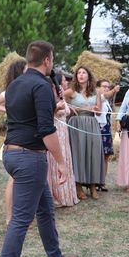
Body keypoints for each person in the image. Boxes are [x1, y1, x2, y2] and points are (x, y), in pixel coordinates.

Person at [0, 40, 78, 257]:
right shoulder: (41, 85)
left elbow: (26, 116)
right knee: (20, 221)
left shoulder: (16, 83)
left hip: (13, 152)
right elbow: (46, 129)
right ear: (48, 60)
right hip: (30, 157)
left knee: (45, 210)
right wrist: (62, 162)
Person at [0, 59, 27, 225]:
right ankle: (10, 216)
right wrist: (8, 110)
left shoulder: (27, 90)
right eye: (26, 70)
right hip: (16, 142)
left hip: (25, 141)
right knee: (13, 180)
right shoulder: (12, 91)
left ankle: (20, 215)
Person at [63, 66, 104, 200]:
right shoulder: (71, 92)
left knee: (93, 153)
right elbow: (58, 100)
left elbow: (99, 112)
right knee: (79, 153)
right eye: (79, 73)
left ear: (88, 76)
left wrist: (95, 108)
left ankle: (93, 186)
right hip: (76, 124)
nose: (81, 75)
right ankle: (78, 186)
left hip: (92, 124)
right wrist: (70, 107)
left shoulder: (96, 92)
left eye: (84, 73)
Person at [47, 72, 79, 207]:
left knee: (64, 159)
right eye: (65, 80)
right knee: (55, 162)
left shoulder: (61, 94)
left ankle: (67, 195)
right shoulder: (51, 94)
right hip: (56, 132)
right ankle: (56, 195)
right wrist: (57, 108)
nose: (66, 83)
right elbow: (49, 111)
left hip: (64, 134)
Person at [95, 79, 120, 191]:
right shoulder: (97, 97)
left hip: (106, 131)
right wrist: (114, 90)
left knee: (105, 157)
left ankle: (102, 182)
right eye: (104, 86)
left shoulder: (106, 102)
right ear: (98, 88)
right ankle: (95, 181)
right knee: (97, 156)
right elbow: (105, 95)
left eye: (108, 87)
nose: (106, 88)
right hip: (98, 130)